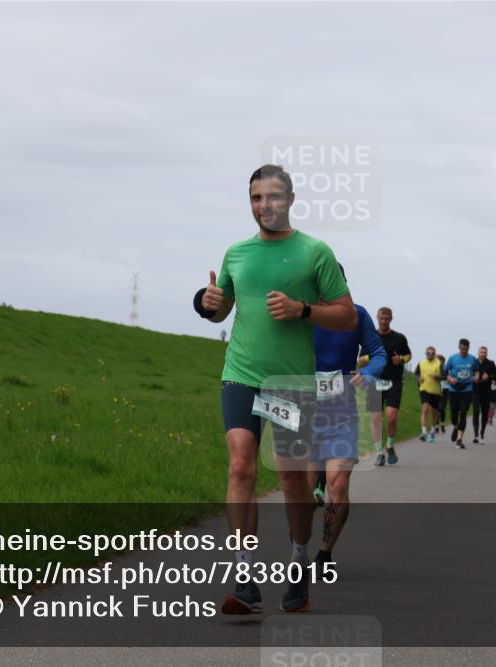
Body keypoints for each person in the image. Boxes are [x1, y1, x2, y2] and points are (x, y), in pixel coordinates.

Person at [194, 164, 357, 614]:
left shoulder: (315, 252)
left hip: (290, 383)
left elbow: (346, 315)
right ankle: (245, 577)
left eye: (271, 197)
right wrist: (207, 303)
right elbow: (222, 306)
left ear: (289, 199)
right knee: (241, 466)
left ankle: (299, 561)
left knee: (291, 478)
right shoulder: (237, 253)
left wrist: (303, 310)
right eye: (255, 199)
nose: (263, 206)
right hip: (241, 373)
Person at [308, 264, 386, 580]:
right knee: (299, 489)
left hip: (341, 409)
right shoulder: (302, 313)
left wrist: (366, 373)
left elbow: (378, 353)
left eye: (335, 281)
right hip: (303, 406)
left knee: (338, 483)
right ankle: (298, 549)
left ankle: (324, 553)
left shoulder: (358, 315)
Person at [365, 307, 411, 465]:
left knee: (391, 417)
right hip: (374, 382)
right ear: (377, 318)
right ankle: (379, 452)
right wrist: (372, 357)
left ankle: (390, 445)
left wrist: (402, 360)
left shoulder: (399, 338)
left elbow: (408, 355)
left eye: (387, 318)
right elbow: (361, 359)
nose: (384, 321)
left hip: (393, 382)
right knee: (376, 419)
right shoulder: (369, 337)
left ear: (391, 319)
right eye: (381, 318)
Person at [442, 338, 478, 449]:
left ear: (469, 348)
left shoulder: (472, 359)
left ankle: (459, 439)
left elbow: (477, 370)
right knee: (454, 415)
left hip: (467, 389)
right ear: (459, 347)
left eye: (466, 349)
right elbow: (444, 371)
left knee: (463, 413)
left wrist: (476, 376)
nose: (464, 351)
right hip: (454, 389)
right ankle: (455, 426)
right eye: (462, 349)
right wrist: (449, 378)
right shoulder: (452, 358)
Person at [471, 346, 496, 444]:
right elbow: (468, 374)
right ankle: (475, 435)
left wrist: (489, 376)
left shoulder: (491, 364)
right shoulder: (473, 362)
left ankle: (482, 432)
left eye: (484, 352)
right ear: (478, 353)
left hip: (486, 393)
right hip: (475, 391)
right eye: (481, 352)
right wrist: (473, 377)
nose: (483, 354)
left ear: (487, 354)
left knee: (484, 414)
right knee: (475, 411)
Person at [416, 346, 443, 443]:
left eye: (432, 353)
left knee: (434, 412)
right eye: (428, 353)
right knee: (425, 408)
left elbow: (444, 376)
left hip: (435, 391)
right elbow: (416, 374)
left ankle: (432, 431)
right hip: (424, 389)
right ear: (425, 353)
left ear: (435, 354)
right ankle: (424, 432)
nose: (430, 354)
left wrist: (437, 376)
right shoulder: (421, 363)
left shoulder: (439, 363)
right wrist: (418, 378)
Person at [436, 354, 450, 433]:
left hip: (446, 390)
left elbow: (450, 378)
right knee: (437, 409)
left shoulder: (446, 370)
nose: (440, 363)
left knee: (442, 408)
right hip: (437, 390)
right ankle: (437, 425)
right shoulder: (434, 369)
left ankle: (442, 423)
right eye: (438, 361)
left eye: (442, 362)